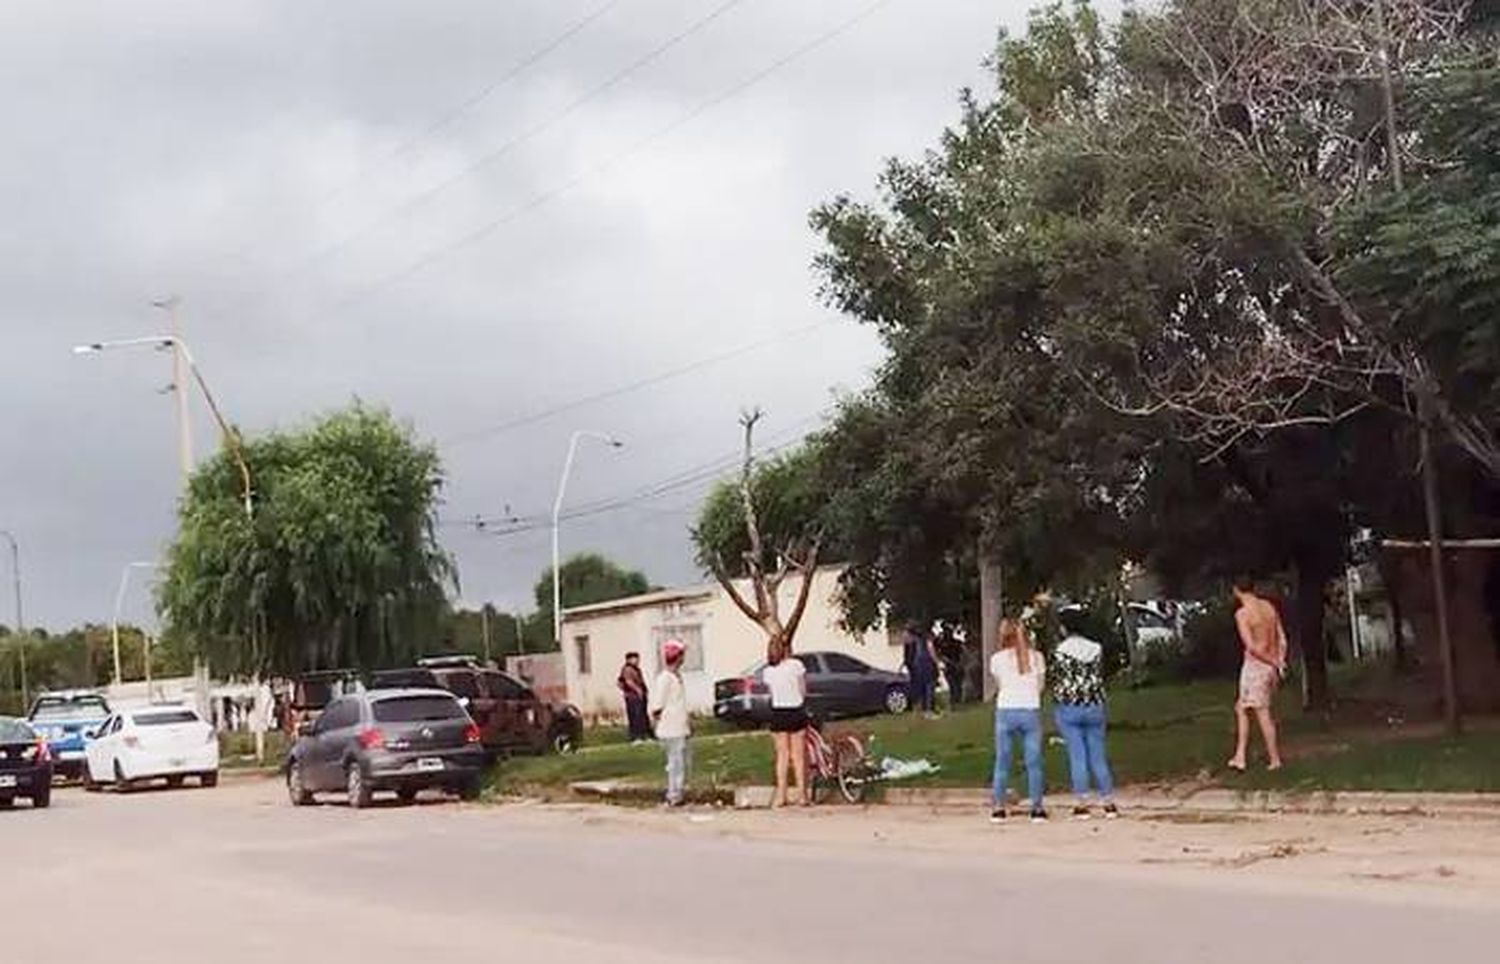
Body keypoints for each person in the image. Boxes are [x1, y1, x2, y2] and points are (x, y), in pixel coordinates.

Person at [1051, 609, 1119, 820]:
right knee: (1098, 754)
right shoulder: (1096, 648)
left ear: (1065, 627)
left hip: (1070, 705)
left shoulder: (1060, 651)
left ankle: (1082, 802)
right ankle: (1108, 802)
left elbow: (1056, 679)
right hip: (1094, 704)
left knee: (1077, 755)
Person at [990, 618, 1048, 823]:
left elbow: (999, 683)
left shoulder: (996, 659)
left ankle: (998, 808)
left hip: (1006, 709)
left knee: (1002, 761)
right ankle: (1037, 808)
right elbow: (1040, 686)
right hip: (1030, 709)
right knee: (1033, 761)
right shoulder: (1037, 657)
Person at [1228, 577, 1288, 772]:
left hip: (1256, 666)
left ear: (1237, 590)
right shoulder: (1268, 607)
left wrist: (1272, 661)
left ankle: (1274, 759)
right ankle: (1240, 755)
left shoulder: (1243, 614)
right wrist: (1280, 660)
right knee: (1242, 707)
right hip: (1270, 666)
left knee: (1262, 713)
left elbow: (1251, 647)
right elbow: (1282, 638)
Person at [762, 638, 810, 807]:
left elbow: (771, 692)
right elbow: (803, 690)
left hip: (778, 712)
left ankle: (781, 795)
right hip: (796, 710)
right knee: (798, 756)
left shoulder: (768, 672)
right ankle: (802, 795)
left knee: (782, 756)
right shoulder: (796, 665)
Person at [648, 639, 691, 806]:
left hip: (679, 726)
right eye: (682, 655)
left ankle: (677, 792)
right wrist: (656, 721)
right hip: (670, 728)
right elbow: (657, 704)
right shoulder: (665, 678)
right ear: (676, 656)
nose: (683, 658)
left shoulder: (676, 677)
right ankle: (674, 794)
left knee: (681, 762)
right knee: (675, 763)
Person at [903, 622, 939, 716]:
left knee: (920, 688)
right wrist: (937, 662)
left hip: (916, 666)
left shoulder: (911, 640)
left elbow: (908, 656)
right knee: (929, 686)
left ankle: (920, 710)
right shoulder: (924, 638)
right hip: (926, 664)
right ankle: (928, 710)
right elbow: (931, 650)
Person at [617, 652, 651, 744]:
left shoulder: (637, 669)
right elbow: (628, 682)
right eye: (635, 658)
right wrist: (637, 690)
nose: (637, 661)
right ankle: (636, 737)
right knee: (635, 716)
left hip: (639, 696)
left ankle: (644, 735)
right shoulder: (627, 669)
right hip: (632, 696)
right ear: (629, 659)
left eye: (637, 659)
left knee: (642, 716)